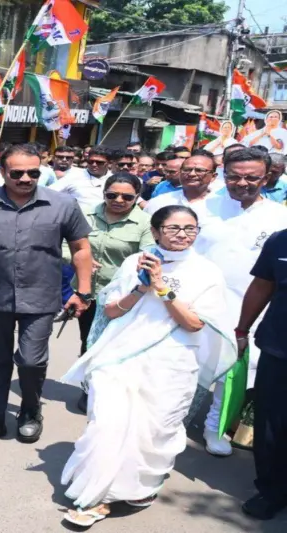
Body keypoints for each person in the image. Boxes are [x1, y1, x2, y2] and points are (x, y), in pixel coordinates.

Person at [59, 205, 236, 528]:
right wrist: (140, 287)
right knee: (107, 424)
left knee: (153, 431)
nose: (182, 235)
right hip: (120, 356)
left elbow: (194, 324)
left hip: (173, 362)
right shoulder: (133, 262)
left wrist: (162, 287)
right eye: (173, 228)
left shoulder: (207, 272)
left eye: (190, 229)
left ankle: (139, 487)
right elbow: (112, 311)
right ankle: (99, 496)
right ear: (155, 232)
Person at [0, 144, 93, 448]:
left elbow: (81, 248)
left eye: (33, 173)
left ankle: (30, 410)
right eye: (17, 173)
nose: (26, 179)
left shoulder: (62, 204)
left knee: (31, 361)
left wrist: (83, 291)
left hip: (41, 296)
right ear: (2, 172)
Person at [195, 147, 287, 457]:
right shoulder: (202, 209)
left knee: (232, 373)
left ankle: (215, 427)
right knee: (186, 367)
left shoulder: (279, 217)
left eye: (251, 177)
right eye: (234, 177)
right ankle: (171, 422)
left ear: (267, 177)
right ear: (223, 175)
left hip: (249, 310)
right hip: (197, 306)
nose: (242, 183)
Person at [70, 173, 155, 359]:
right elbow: (64, 244)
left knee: (115, 345)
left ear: (137, 197)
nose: (118, 200)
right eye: (112, 195)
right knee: (89, 341)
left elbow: (146, 256)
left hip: (122, 295)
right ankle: (87, 376)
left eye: (127, 197)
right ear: (103, 193)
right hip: (88, 292)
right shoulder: (84, 214)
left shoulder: (146, 223)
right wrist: (80, 259)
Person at [235, 229, 287, 520]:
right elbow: (262, 285)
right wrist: (242, 329)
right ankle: (271, 490)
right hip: (279, 349)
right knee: (271, 426)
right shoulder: (281, 240)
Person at [144, 153, 216, 216]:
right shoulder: (159, 202)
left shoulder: (219, 202)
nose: (192, 174)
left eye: (200, 170)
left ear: (213, 176)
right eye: (187, 170)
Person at [50, 146, 114, 210]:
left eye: (99, 162)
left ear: (109, 163)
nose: (94, 164)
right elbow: (49, 192)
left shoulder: (114, 179)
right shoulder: (74, 175)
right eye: (90, 161)